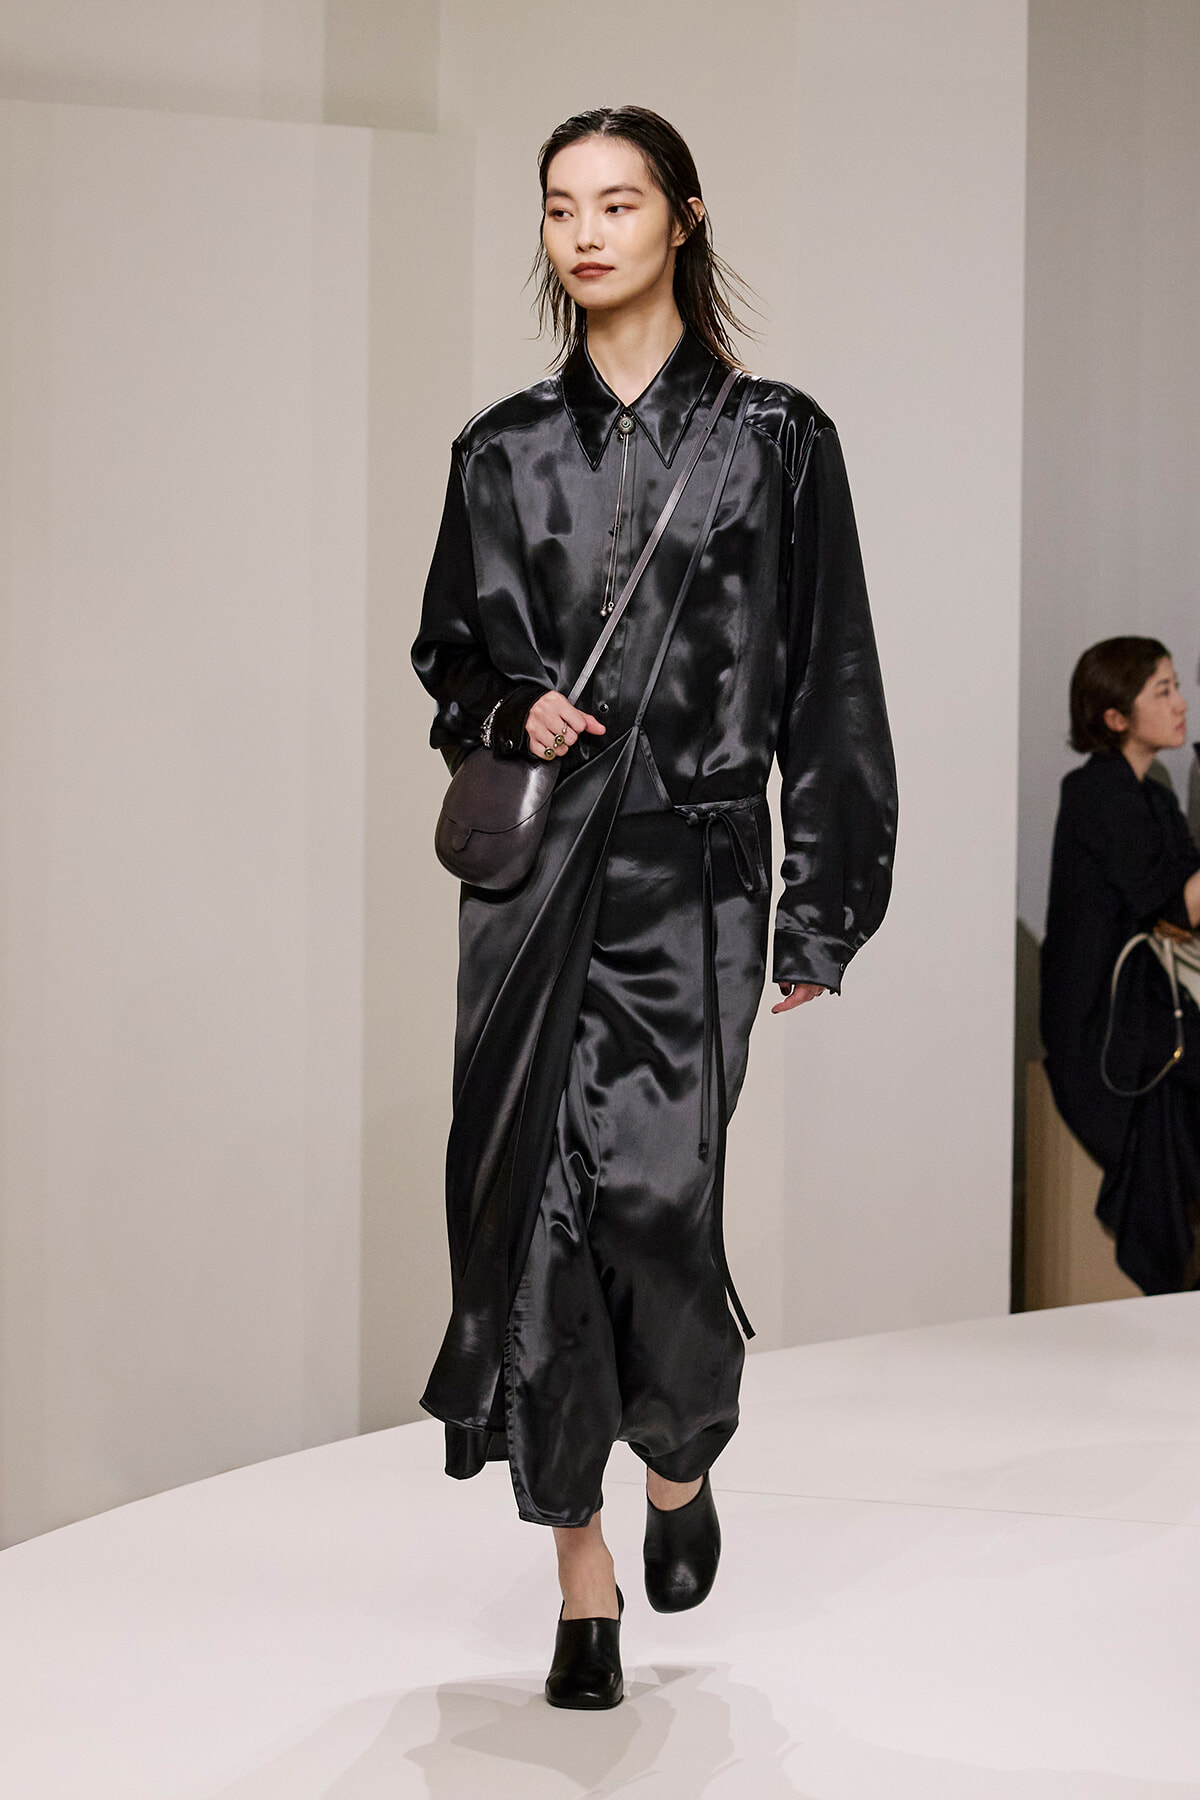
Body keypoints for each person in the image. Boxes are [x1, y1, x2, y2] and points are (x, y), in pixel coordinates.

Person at [412, 106, 897, 1709]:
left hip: (695, 883)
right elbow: (448, 660)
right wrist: (509, 713)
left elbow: (830, 681)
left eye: (619, 202)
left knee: (652, 1208)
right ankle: (581, 1577)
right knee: (535, 1225)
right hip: (537, 890)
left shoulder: (778, 438)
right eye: (561, 208)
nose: (588, 231)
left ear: (682, 218)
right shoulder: (499, 451)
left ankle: (679, 1459)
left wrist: (826, 904)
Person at [1041, 637, 1200, 1294]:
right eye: (1161, 691)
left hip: (1145, 1003)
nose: (1180, 703)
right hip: (1103, 1020)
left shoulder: (1154, 797)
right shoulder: (1095, 792)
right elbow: (1178, 905)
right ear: (1115, 716)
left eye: (1176, 686)